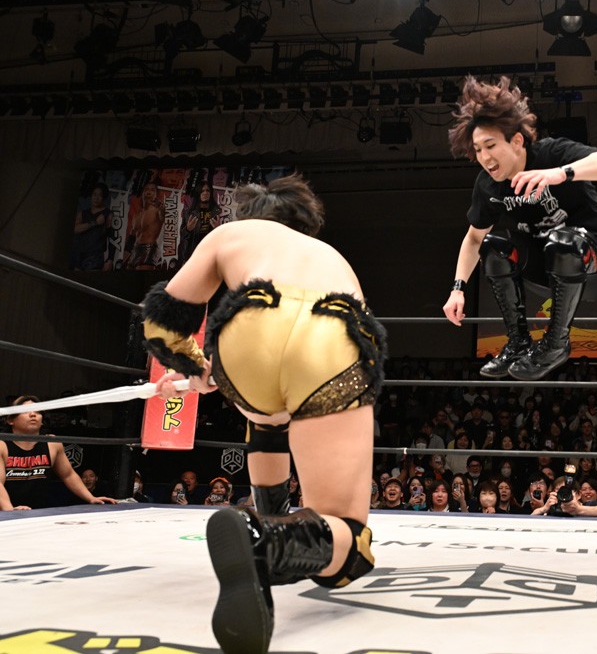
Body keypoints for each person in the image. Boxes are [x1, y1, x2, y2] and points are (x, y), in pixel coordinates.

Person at [143, 173, 387, 653]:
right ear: (304, 222)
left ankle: (270, 514)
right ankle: (267, 539)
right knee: (351, 542)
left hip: (246, 332)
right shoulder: (332, 257)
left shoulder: (230, 235)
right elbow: (358, 331)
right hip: (331, 332)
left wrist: (197, 368)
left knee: (268, 413)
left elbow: (160, 323)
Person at [443, 75, 597, 380]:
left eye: (490, 145)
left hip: (595, 267)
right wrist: (457, 289)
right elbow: (473, 239)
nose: (485, 158)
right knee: (493, 246)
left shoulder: (552, 153)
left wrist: (560, 174)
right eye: (478, 150)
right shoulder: (488, 185)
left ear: (516, 141)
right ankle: (518, 342)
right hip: (546, 272)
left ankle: (556, 343)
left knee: (562, 241)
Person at [0, 396, 117, 510]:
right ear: (10, 420)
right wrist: (10, 511)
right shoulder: (2, 445)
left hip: (39, 512)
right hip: (6, 513)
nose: (33, 414)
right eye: (25, 411)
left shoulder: (52, 444)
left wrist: (91, 498)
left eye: (37, 412)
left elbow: (68, 475)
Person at [71, 182, 111, 270]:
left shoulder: (107, 214)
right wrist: (95, 222)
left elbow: (112, 237)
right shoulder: (83, 213)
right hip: (79, 254)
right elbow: (75, 229)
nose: (96, 198)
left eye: (100, 195)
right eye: (94, 194)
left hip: (95, 256)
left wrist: (110, 259)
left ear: (104, 197)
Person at [127, 179, 165, 270]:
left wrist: (162, 208)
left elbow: (163, 216)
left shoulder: (158, 211)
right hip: (135, 249)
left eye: (152, 190)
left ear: (156, 194)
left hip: (149, 248)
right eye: (146, 189)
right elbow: (132, 237)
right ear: (142, 193)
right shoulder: (137, 216)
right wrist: (126, 254)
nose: (149, 192)